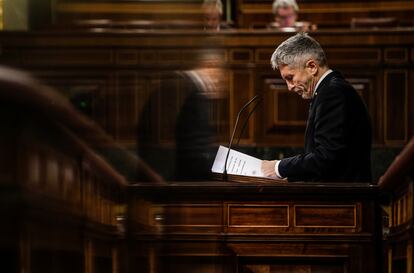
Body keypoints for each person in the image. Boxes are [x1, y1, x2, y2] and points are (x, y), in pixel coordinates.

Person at [261, 33, 372, 182]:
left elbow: (326, 157)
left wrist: (278, 167)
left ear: (312, 67)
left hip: (344, 200)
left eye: (290, 78)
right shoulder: (331, 90)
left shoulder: (332, 93)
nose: (290, 87)